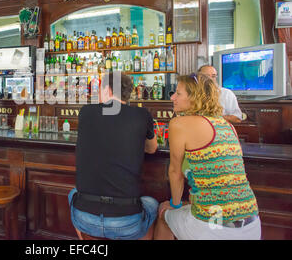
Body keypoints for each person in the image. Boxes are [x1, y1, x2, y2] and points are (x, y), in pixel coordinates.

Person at [154, 73, 261, 240]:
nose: (172, 97)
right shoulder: (227, 125)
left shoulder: (179, 123)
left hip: (213, 227)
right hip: (252, 225)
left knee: (163, 213)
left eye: (178, 93)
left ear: (195, 97)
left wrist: (174, 205)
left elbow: (175, 173)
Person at [68, 72, 159, 240]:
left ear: (108, 90)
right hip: (126, 222)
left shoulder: (86, 112)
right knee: (153, 205)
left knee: (72, 193)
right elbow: (152, 149)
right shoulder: (142, 115)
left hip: (85, 219)